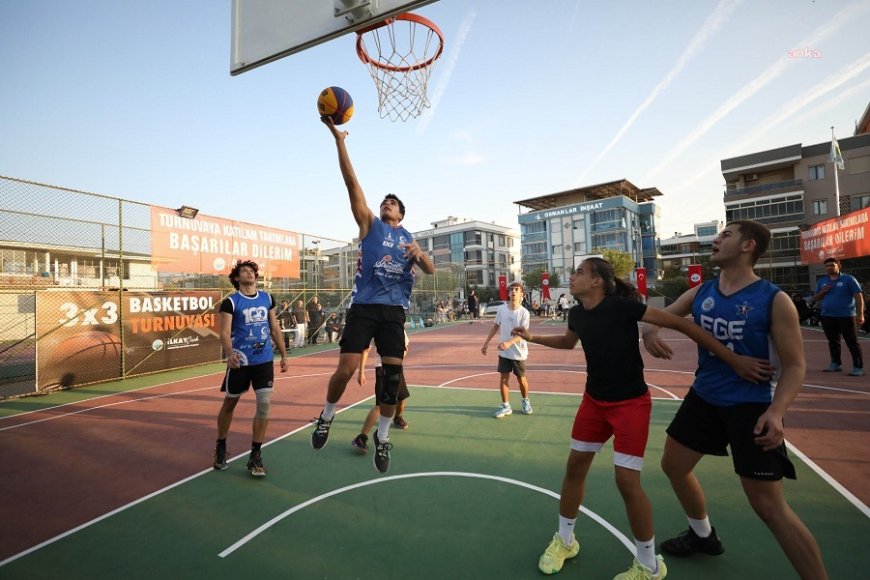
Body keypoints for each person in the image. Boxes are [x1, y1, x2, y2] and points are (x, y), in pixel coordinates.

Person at [511, 256, 772, 579]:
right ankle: (565, 540)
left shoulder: (621, 308)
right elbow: (568, 342)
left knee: (627, 482)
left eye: (579, 272)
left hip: (630, 404)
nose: (573, 277)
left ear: (597, 282)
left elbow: (682, 323)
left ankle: (649, 565)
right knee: (575, 466)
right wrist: (532, 337)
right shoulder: (577, 313)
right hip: (594, 402)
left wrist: (733, 359)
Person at [642, 220, 829, 579]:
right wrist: (650, 331)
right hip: (705, 397)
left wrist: (777, 412)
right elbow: (661, 317)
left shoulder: (774, 300)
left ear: (749, 246)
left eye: (726, 235)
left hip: (753, 406)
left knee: (768, 507)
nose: (716, 239)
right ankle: (703, 535)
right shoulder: (703, 291)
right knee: (673, 466)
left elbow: (795, 366)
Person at [311, 117, 435, 474]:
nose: (387, 203)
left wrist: (421, 256)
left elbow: (430, 271)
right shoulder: (370, 225)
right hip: (364, 307)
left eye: (393, 202)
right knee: (346, 369)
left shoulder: (410, 239)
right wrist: (340, 142)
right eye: (385, 200)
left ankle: (382, 437)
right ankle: (328, 414)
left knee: (393, 378)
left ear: (402, 213)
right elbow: (352, 182)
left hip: (394, 311)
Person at [213, 260, 288, 478]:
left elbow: (274, 327)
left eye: (252, 271)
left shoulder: (267, 298)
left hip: (264, 361)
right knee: (230, 403)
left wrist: (283, 355)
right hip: (241, 361)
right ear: (236, 278)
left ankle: (255, 454)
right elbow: (225, 333)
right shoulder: (231, 303)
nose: (250, 273)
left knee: (264, 405)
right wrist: (229, 354)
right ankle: (220, 445)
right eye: (244, 271)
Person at [352, 333, 411, 454]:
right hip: (382, 369)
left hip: (397, 368)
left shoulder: (398, 327)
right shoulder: (375, 328)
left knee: (402, 397)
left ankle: (397, 418)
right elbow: (366, 350)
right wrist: (361, 372)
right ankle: (361, 438)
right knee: (380, 406)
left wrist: (398, 358)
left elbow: (405, 348)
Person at [481, 281, 533, 418]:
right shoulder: (501, 310)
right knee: (504, 378)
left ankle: (525, 401)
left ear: (522, 294)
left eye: (517, 289)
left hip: (518, 352)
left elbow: (523, 334)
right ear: (508, 293)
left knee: (521, 379)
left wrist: (509, 342)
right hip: (504, 351)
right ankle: (506, 405)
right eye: (511, 290)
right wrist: (486, 343)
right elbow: (495, 326)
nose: (514, 292)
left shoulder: (524, 313)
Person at [812, 257, 864, 376]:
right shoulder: (822, 281)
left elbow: (858, 296)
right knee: (833, 341)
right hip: (827, 316)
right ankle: (836, 363)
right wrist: (823, 291)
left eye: (832, 265)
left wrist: (860, 314)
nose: (829, 267)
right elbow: (816, 298)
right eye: (827, 266)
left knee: (851, 342)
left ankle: (858, 366)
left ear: (838, 265)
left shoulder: (848, 279)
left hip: (846, 316)